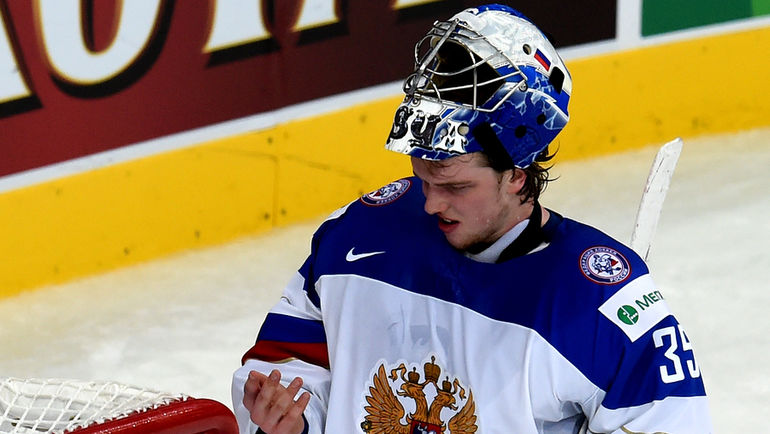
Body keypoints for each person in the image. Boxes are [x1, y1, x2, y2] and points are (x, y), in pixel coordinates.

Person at [232, 4, 712, 433]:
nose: (430, 204)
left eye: (456, 186)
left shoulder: (602, 302)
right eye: (422, 178)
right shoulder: (358, 235)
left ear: (518, 175)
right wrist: (289, 423)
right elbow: (288, 368)